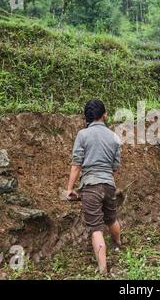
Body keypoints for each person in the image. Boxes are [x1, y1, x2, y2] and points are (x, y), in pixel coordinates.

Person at [66, 99, 122, 275]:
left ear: (87, 117)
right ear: (104, 115)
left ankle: (103, 269)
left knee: (96, 228)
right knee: (111, 218)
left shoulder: (83, 135)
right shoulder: (114, 137)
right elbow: (115, 166)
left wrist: (70, 189)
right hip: (109, 184)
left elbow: (77, 164)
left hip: (90, 185)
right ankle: (118, 245)